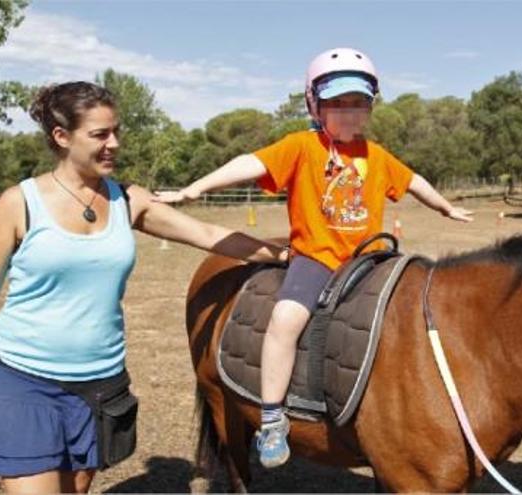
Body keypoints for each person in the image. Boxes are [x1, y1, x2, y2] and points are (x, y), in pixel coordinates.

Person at [0, 81, 285, 494]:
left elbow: (206, 232)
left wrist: (285, 255)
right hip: (24, 382)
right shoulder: (19, 203)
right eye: (99, 134)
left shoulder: (128, 199)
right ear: (61, 137)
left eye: (116, 132)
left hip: (99, 387)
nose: (114, 143)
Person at [155, 47, 473, 468]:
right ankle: (271, 420)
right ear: (314, 104)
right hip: (317, 259)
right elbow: (248, 163)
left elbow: (413, 181)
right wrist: (194, 188)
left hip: (371, 260)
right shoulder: (301, 147)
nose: (348, 113)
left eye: (358, 103)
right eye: (337, 103)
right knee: (285, 321)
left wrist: (445, 207)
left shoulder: (375, 155)